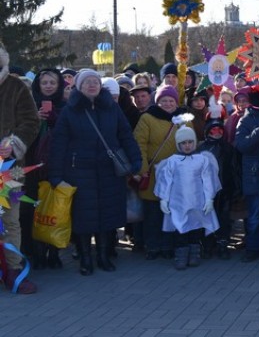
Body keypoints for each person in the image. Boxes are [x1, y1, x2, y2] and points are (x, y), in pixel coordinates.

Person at [49, 68, 143, 276]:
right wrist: (55, 176)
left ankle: (102, 255)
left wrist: (136, 161)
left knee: (106, 215)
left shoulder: (111, 108)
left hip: (108, 171)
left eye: (95, 81)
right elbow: (58, 145)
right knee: (83, 217)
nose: (92, 85)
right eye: (87, 82)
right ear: (79, 86)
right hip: (78, 171)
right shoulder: (70, 110)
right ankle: (85, 257)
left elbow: (126, 135)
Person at [0, 41, 40, 293]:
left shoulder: (15, 86)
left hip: (10, 168)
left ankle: (12, 270)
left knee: (11, 220)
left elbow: (31, 121)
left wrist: (12, 143)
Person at [155, 125, 221, 269]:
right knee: (180, 229)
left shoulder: (202, 160)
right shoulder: (172, 161)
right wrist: (164, 199)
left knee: (196, 229)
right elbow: (166, 181)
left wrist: (209, 198)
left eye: (190, 142)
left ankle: (194, 254)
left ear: (195, 142)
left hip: (197, 202)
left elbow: (208, 180)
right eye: (183, 143)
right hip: (178, 203)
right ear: (178, 144)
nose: (187, 146)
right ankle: (181, 256)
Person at [133, 85, 186, 260]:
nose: (168, 103)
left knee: (171, 212)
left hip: (177, 175)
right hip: (154, 173)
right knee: (153, 213)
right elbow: (138, 144)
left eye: (171, 100)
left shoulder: (183, 118)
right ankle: (153, 246)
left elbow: (190, 142)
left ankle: (168, 245)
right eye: (164, 100)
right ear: (158, 101)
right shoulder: (147, 118)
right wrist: (142, 168)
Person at [25, 68, 66, 270]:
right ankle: (36, 252)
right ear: (38, 86)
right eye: (45, 83)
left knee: (56, 209)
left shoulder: (66, 106)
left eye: (53, 83)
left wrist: (54, 119)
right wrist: (36, 119)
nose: (48, 86)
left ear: (59, 86)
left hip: (57, 165)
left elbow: (70, 134)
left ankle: (54, 252)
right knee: (34, 209)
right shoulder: (29, 106)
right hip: (32, 167)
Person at [234, 84, 259, 262]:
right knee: (255, 215)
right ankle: (253, 247)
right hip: (254, 174)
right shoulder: (246, 119)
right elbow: (241, 145)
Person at [197, 100, 238, 259]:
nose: (216, 133)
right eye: (212, 130)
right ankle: (207, 244)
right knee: (206, 217)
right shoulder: (201, 148)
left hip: (224, 190)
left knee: (223, 218)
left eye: (219, 130)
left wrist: (236, 189)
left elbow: (234, 169)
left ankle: (222, 244)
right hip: (206, 191)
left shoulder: (228, 148)